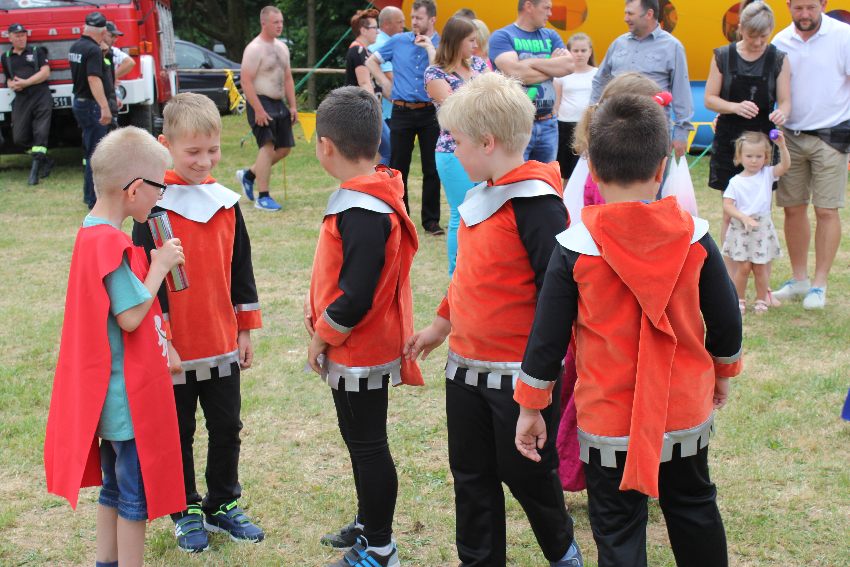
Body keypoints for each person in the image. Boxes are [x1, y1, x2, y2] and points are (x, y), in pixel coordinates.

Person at [514, 93, 743, 567]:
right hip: (682, 410)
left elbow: (546, 340)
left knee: (618, 527)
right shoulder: (695, 237)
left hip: (608, 420)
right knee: (693, 507)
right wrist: (722, 374)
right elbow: (725, 321)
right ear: (661, 168)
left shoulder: (574, 249)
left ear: (593, 170)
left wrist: (531, 407)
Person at [404, 73, 583, 567]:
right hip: (465, 372)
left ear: (486, 142)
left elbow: (557, 303)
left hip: (518, 378)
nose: (451, 150)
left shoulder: (537, 205)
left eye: (456, 141)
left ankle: (562, 553)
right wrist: (441, 325)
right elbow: (468, 276)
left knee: (529, 476)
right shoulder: (480, 194)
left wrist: (536, 391)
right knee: (471, 477)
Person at [44, 126, 187, 567]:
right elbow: (129, 316)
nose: (159, 198)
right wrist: (160, 266)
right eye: (159, 187)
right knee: (133, 500)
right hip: (128, 403)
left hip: (108, 400)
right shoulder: (113, 244)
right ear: (135, 189)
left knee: (112, 489)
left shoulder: (90, 232)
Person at [131, 93, 264, 553]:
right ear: (165, 145)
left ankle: (223, 501)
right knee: (179, 432)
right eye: (192, 152)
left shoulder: (226, 203)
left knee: (227, 426)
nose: (204, 161)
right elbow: (147, 285)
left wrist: (244, 329)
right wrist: (163, 341)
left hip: (221, 341)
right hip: (175, 349)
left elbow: (241, 270)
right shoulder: (152, 209)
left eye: (213, 150)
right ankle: (183, 506)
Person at [307, 86, 423, 567]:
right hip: (360, 344)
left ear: (325, 145)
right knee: (360, 442)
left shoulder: (362, 208)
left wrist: (321, 336)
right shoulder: (370, 193)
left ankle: (379, 547)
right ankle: (367, 521)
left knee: (368, 446)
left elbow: (355, 295)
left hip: (360, 348)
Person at [771, 0, 850, 309]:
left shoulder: (843, 36)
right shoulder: (780, 40)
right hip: (790, 136)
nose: (804, 15)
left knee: (827, 210)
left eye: (811, 8)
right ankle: (799, 278)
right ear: (788, 6)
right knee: (792, 208)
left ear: (824, 4)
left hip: (832, 135)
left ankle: (819, 284)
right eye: (799, 8)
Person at [705, 1, 790, 276]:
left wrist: (782, 114)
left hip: (762, 142)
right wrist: (734, 106)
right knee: (730, 210)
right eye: (752, 35)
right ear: (740, 28)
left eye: (764, 36)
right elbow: (709, 99)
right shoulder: (723, 56)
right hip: (730, 140)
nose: (758, 42)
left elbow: (786, 102)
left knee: (762, 211)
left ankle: (762, 276)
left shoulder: (778, 58)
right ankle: (729, 276)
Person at [366, 0, 444, 236]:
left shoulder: (441, 44)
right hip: (402, 111)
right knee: (399, 167)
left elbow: (442, 71)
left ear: (432, 19)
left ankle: (431, 221)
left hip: (430, 112)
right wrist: (384, 82)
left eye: (419, 18)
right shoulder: (399, 40)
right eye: (412, 17)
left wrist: (430, 48)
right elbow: (371, 60)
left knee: (432, 167)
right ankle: (401, 217)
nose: (414, 22)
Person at [424, 16, 488, 276]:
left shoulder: (480, 64)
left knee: (485, 213)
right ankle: (457, 275)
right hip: (453, 152)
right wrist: (484, 99)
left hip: (484, 150)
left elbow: (495, 98)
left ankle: (480, 271)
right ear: (456, 41)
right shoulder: (435, 73)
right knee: (461, 213)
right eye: (471, 40)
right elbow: (456, 111)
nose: (476, 45)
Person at [591, 0, 693, 158]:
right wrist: (592, 116)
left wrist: (681, 132)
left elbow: (681, 91)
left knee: (652, 174)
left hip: (652, 132)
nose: (625, 18)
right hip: (615, 129)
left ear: (649, 14)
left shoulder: (672, 47)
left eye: (630, 13)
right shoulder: (618, 43)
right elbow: (600, 81)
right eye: (625, 13)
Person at [489, 0, 574, 162]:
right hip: (515, 125)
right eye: (546, 8)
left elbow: (569, 66)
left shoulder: (551, 36)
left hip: (548, 123)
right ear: (529, 6)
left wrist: (528, 64)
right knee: (516, 176)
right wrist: (551, 65)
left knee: (545, 176)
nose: (550, 14)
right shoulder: (502, 36)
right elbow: (515, 73)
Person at [236, 5, 297, 212]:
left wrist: (293, 106)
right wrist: (258, 109)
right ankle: (263, 197)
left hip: (279, 103)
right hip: (260, 101)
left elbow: (287, 78)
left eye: (281, 22)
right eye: (275, 22)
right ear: (264, 23)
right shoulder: (254, 48)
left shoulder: (282, 47)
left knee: (284, 148)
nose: (280, 25)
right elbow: (246, 81)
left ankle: (249, 175)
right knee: (267, 146)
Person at [722, 131, 790, 314]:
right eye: (749, 156)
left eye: (759, 156)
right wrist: (743, 217)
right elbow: (727, 205)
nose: (754, 160)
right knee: (743, 267)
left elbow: (785, 166)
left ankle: (761, 300)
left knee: (760, 267)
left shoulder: (767, 174)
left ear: (766, 157)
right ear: (739, 157)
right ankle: (739, 299)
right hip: (741, 228)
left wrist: (782, 145)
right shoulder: (735, 182)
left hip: (761, 228)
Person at [1, 22, 53, 185]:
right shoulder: (6, 57)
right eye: (17, 36)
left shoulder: (37, 51)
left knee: (40, 133)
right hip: (22, 99)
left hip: (41, 95)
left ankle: (34, 173)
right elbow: (8, 78)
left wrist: (26, 82)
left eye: (23, 35)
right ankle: (45, 159)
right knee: (19, 138)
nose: (21, 38)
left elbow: (45, 72)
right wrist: (11, 84)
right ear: (9, 38)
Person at [69, 11, 111, 209]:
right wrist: (104, 106)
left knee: (90, 150)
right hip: (92, 105)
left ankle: (89, 195)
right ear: (102, 32)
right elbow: (93, 78)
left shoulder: (76, 46)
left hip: (80, 102)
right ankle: (93, 198)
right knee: (97, 153)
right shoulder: (93, 50)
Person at [553, 33, 597, 183]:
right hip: (564, 125)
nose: (579, 54)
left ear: (590, 51)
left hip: (587, 126)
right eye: (575, 50)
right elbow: (557, 102)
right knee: (564, 170)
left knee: (582, 168)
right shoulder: (561, 75)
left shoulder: (597, 74)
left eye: (583, 50)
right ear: (569, 52)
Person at [371, 5, 405, 166]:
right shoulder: (382, 45)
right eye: (399, 22)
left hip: (387, 109)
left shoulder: (386, 41)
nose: (403, 26)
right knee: (388, 153)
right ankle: (379, 180)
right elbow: (390, 77)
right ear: (386, 24)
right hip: (386, 111)